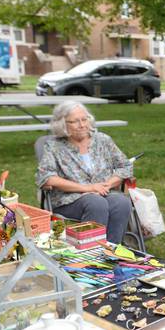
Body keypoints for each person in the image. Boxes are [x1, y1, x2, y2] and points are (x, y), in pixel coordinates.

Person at [36, 100, 133, 244]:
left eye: (84, 119)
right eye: (75, 121)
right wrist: (87, 188)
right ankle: (90, 253)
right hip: (69, 199)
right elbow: (46, 177)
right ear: (62, 124)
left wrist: (107, 184)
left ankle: (112, 251)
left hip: (104, 192)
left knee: (121, 202)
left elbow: (125, 166)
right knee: (96, 203)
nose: (82, 125)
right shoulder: (54, 146)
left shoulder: (103, 140)